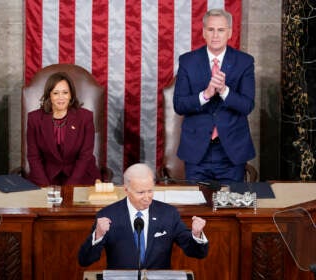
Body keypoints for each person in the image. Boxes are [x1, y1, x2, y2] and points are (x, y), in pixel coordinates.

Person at [173, 8, 256, 184]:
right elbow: (179, 105)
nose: (215, 35)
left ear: (230, 33)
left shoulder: (244, 62)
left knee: (230, 208)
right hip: (197, 152)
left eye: (221, 30)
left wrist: (224, 91)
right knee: (195, 208)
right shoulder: (187, 61)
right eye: (211, 30)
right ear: (203, 32)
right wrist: (206, 94)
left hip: (232, 152)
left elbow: (247, 106)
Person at [78, 163, 208, 269]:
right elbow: (84, 260)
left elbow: (197, 252)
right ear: (126, 190)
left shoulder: (168, 214)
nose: (147, 198)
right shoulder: (108, 215)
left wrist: (196, 235)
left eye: (150, 191)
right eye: (140, 192)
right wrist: (98, 235)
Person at [26, 71, 101, 186]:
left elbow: (85, 156)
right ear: (49, 95)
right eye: (56, 93)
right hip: (46, 177)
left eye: (65, 92)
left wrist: (70, 186)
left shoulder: (85, 117)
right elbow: (33, 156)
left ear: (71, 94)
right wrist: (45, 186)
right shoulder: (34, 118)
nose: (61, 98)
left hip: (80, 177)